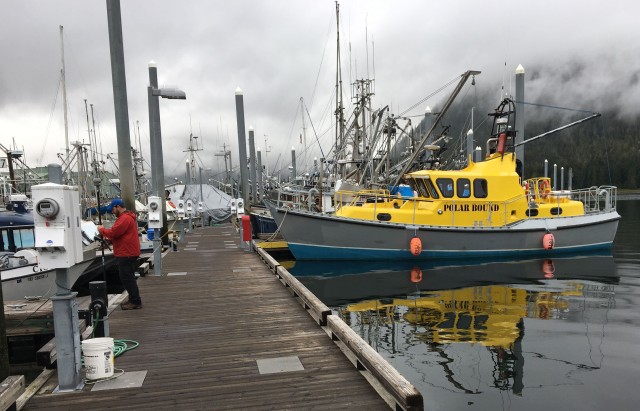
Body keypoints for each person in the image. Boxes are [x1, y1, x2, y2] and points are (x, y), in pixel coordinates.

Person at [98, 198, 142, 310]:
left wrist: (101, 230)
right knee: (127, 277)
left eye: (112, 209)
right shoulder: (125, 218)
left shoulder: (124, 219)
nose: (112, 212)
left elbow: (114, 232)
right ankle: (133, 299)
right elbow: (120, 235)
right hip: (127, 251)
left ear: (117, 207)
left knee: (127, 278)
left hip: (126, 253)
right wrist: (109, 241)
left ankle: (136, 301)